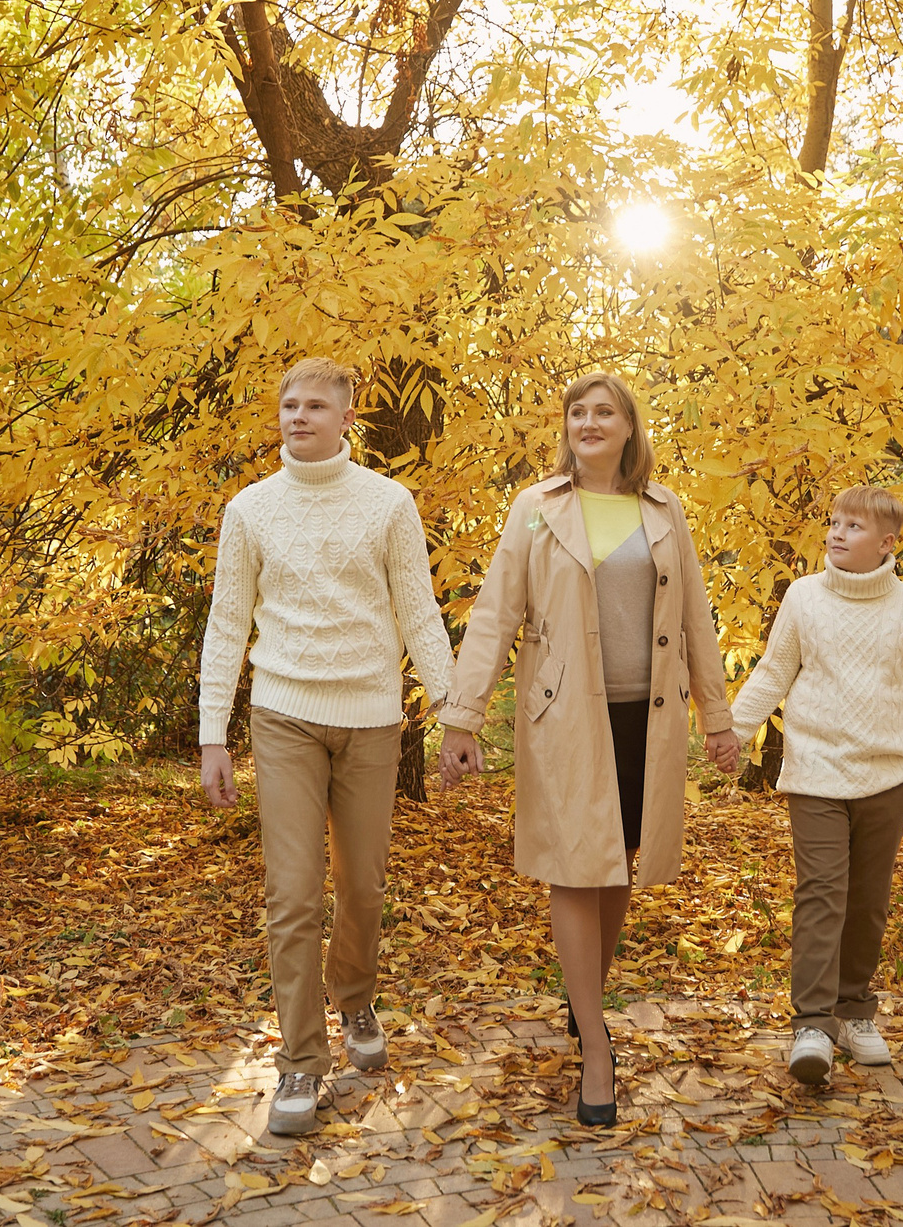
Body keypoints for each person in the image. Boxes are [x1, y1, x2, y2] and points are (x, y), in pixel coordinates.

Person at [438, 373, 743, 1125]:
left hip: (652, 716)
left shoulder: (663, 507)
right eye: (578, 412)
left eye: (605, 411)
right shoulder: (537, 509)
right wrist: (463, 716)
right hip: (566, 717)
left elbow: (697, 616)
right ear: (566, 428)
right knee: (577, 868)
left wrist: (719, 715)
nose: (590, 421)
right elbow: (496, 611)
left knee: (619, 862)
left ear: (630, 428)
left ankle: (586, 1002)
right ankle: (597, 1046)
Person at [195, 357, 454, 1137]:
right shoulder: (250, 509)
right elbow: (226, 625)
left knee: (364, 888)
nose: (298, 416)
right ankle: (301, 1062)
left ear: (348, 419)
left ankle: (357, 997)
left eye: (315, 406)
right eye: (288, 405)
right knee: (293, 893)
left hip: (372, 719)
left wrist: (453, 710)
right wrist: (214, 734)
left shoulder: (388, 503)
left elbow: (419, 610)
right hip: (284, 716)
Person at [727, 485, 903, 1088]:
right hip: (816, 774)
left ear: (887, 543)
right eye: (834, 522)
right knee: (822, 894)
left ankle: (853, 1013)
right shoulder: (803, 597)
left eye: (853, 526)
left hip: (887, 779)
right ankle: (813, 1027)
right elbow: (775, 671)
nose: (837, 533)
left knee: (868, 904)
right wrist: (734, 729)